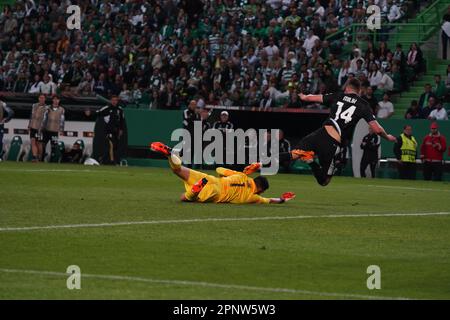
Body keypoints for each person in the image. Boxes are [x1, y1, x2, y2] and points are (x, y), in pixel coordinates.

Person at [278, 78, 397, 186]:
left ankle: (262, 161)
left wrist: (301, 95)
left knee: (294, 154)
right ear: (359, 90)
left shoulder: (338, 96)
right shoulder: (363, 104)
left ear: (347, 88)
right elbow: (376, 129)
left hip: (320, 133)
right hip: (332, 142)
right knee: (324, 181)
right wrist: (387, 137)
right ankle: (310, 161)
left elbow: (309, 98)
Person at [150, 142, 296, 204]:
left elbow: (219, 169)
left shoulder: (241, 175)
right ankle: (193, 192)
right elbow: (268, 200)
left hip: (211, 179)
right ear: (260, 190)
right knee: (184, 198)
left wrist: (228, 176)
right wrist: (281, 199)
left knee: (178, 170)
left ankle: (170, 155)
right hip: (216, 193)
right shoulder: (252, 197)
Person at [96, 95, 125, 164]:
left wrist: (121, 129)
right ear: (110, 101)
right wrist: (89, 113)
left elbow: (121, 120)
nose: (114, 101)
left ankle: (105, 159)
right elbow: (98, 113)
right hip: (108, 130)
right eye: (113, 100)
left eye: (116, 100)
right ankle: (111, 161)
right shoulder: (107, 108)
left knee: (115, 146)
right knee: (111, 145)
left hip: (117, 131)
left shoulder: (120, 109)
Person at [41, 96, 65, 162]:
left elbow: (62, 120)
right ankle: (41, 158)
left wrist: (62, 129)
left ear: (59, 100)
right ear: (52, 100)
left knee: (54, 146)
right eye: (54, 99)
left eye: (57, 99)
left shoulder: (61, 109)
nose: (56, 100)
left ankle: (52, 160)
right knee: (43, 144)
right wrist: (41, 127)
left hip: (55, 131)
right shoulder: (47, 108)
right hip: (46, 130)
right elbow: (43, 118)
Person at [28, 94, 48, 162]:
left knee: (39, 143)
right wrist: (29, 125)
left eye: (43, 98)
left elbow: (45, 119)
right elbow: (31, 115)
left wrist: (42, 128)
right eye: (40, 97)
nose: (41, 99)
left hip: (40, 128)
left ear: (45, 99)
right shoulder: (34, 105)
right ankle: (34, 157)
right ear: (38, 98)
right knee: (33, 142)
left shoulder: (47, 108)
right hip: (33, 126)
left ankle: (40, 157)